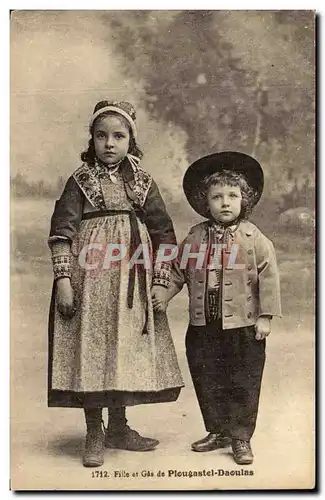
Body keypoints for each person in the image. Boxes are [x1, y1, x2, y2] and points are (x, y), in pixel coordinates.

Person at [47, 100, 184, 468]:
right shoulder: (80, 180)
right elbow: (61, 232)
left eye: (119, 136)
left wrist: (160, 282)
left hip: (132, 277)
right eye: (101, 135)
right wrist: (63, 279)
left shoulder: (143, 181)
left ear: (131, 140)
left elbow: (164, 235)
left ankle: (120, 427)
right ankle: (95, 430)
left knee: (123, 347)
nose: (110, 143)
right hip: (89, 278)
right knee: (92, 347)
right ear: (91, 139)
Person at [162, 151, 281, 465]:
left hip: (243, 324)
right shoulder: (195, 238)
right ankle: (216, 429)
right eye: (217, 197)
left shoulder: (256, 240)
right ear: (205, 202)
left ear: (246, 200)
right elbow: (178, 271)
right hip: (204, 324)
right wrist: (164, 294)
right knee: (208, 376)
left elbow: (268, 277)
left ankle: (240, 436)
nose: (225, 202)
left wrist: (265, 317)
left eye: (232, 195)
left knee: (243, 378)